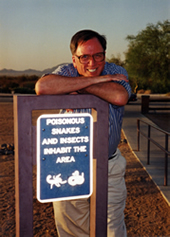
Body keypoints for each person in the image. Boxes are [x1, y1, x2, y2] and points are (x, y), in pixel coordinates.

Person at [35, 29, 131, 237]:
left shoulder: (116, 71)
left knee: (112, 229)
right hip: (69, 164)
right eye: (84, 57)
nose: (92, 63)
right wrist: (96, 82)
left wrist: (79, 87)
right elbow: (42, 87)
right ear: (74, 59)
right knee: (73, 231)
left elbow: (119, 96)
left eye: (98, 55)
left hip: (109, 164)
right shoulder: (67, 70)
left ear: (105, 55)